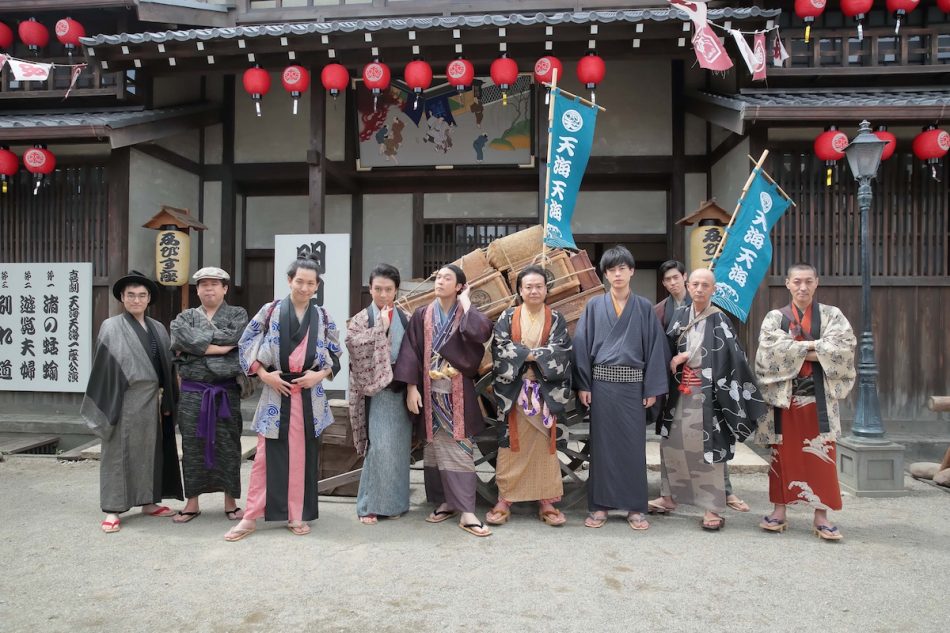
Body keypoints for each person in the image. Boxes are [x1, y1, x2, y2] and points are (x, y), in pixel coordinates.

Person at [225, 256, 341, 541]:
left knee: (302, 456)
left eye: (310, 283)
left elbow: (334, 351)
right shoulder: (270, 310)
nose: (304, 287)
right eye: (299, 281)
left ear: (317, 286)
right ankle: (251, 516)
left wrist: (319, 375)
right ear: (289, 280)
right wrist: (263, 374)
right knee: (265, 457)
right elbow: (247, 342)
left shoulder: (323, 316)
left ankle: (296, 513)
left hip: (308, 393)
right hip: (276, 390)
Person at [649, 268, 767, 531]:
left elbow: (732, 358)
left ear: (714, 290)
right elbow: (665, 349)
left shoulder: (720, 320)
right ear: (688, 287)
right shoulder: (679, 315)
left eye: (705, 285)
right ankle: (669, 497)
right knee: (672, 443)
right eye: (695, 284)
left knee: (708, 447)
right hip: (680, 393)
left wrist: (689, 357)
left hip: (709, 395)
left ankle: (712, 507)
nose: (700, 289)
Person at [754, 263, 856, 540]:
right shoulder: (775, 317)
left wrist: (796, 349)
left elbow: (843, 349)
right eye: (797, 281)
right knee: (782, 454)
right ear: (787, 283)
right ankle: (779, 510)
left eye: (808, 281)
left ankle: (821, 515)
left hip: (819, 399)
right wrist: (817, 348)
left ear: (816, 283)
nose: (802, 287)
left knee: (822, 455)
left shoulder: (832, 315)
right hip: (785, 398)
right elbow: (770, 352)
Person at [572, 246, 669, 530]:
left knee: (633, 447)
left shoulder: (644, 308)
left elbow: (654, 349)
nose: (617, 274)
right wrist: (584, 384)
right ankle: (600, 506)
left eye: (622, 268)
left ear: (631, 271)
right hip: (601, 386)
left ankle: (635, 508)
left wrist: (651, 388)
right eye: (612, 270)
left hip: (633, 388)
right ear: (605, 274)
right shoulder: (593, 306)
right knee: (601, 448)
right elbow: (581, 345)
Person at [393, 264, 493, 538]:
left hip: (457, 391)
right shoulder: (422, 314)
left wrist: (467, 302)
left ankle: (467, 511)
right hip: (428, 390)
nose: (440, 281)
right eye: (438, 278)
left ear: (459, 286)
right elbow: (411, 351)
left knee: (460, 448)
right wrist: (412, 388)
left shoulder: (465, 312)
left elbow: (481, 333)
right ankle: (446, 502)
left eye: (447, 278)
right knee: (433, 448)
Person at [80, 270, 182, 533]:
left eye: (142, 295)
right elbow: (105, 367)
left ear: (149, 299)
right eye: (131, 295)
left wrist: (170, 399)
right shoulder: (111, 326)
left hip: (154, 402)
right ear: (122, 298)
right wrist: (110, 404)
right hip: (124, 400)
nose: (136, 300)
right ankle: (113, 509)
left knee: (151, 453)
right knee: (118, 453)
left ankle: (148, 501)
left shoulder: (158, 327)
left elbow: (168, 368)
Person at [487, 265, 572, 528]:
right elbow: (500, 347)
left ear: (546, 289)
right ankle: (505, 498)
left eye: (539, 286)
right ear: (520, 290)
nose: (534, 291)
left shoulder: (556, 318)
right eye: (528, 287)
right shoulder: (507, 316)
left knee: (546, 446)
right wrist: (534, 354)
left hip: (545, 391)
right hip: (516, 391)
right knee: (510, 445)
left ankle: (546, 500)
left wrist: (526, 354)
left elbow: (562, 349)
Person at [169, 267, 249, 524]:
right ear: (197, 289)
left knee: (229, 445)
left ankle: (231, 502)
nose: (209, 288)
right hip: (193, 392)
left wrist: (197, 347)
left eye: (214, 284)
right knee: (192, 445)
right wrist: (223, 347)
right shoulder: (184, 318)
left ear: (225, 288)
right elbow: (181, 339)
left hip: (225, 391)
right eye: (203, 284)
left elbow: (237, 338)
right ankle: (192, 503)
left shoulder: (237, 314)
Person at [346, 263, 413, 525]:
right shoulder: (362, 319)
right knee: (379, 448)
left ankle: (395, 503)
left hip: (399, 391)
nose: (383, 295)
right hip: (373, 393)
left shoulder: (406, 316)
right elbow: (353, 348)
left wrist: (410, 387)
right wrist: (380, 329)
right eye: (377, 289)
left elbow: (413, 354)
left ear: (396, 290)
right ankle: (369, 505)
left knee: (397, 450)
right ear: (370, 289)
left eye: (388, 289)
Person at [653, 259, 689, 330]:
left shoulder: (699, 302)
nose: (672, 282)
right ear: (663, 283)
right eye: (668, 279)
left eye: (676, 277)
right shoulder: (658, 309)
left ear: (684, 277)